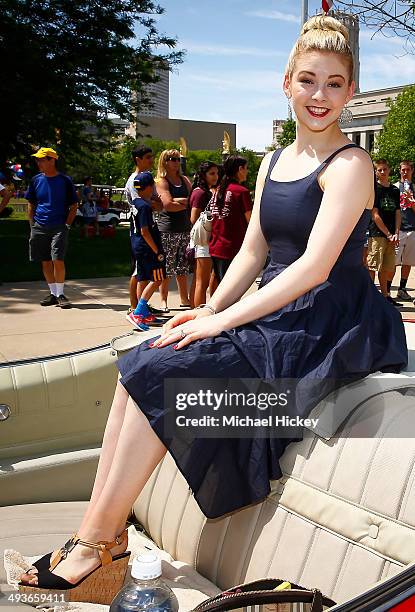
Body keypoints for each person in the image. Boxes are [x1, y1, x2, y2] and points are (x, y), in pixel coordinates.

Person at [19, 16, 407, 601]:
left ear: (350, 92)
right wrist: (204, 310)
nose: (320, 95)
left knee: (169, 372)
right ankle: (100, 537)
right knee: (142, 360)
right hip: (278, 305)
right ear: (286, 84)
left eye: (333, 83)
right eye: (308, 80)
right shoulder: (274, 160)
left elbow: (314, 269)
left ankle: (95, 545)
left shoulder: (350, 166)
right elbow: (253, 251)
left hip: (331, 317)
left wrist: (224, 320)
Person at [26, 147, 78, 308]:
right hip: (40, 225)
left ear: (52, 160)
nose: (38, 162)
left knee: (58, 259)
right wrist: (32, 224)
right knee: (45, 261)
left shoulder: (64, 181)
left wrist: (67, 225)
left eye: (41, 159)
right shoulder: (36, 180)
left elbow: (74, 205)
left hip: (59, 226)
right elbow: (31, 203)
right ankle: (53, 293)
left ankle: (61, 293)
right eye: (37, 160)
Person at [125, 146, 163, 315]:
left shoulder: (146, 179)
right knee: (139, 273)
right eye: (148, 157)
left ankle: (142, 306)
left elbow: (158, 204)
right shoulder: (135, 181)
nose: (151, 160)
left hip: (145, 234)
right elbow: (150, 205)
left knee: (144, 274)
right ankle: (137, 308)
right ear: (137, 159)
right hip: (141, 236)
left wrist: (156, 203)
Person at [156, 149, 193, 311]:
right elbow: (168, 206)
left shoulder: (184, 180)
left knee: (182, 266)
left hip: (184, 228)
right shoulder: (162, 181)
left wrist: (178, 200)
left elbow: (193, 201)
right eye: (172, 159)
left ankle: (184, 299)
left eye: (178, 159)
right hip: (167, 230)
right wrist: (181, 203)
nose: (176, 162)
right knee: (166, 267)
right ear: (164, 161)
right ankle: (163, 300)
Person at [209, 155, 253, 284]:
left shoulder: (218, 190)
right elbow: (250, 221)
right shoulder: (241, 191)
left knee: (221, 285)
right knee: (232, 289)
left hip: (216, 246)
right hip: (233, 247)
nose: (247, 172)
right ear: (240, 169)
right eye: (246, 168)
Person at [367, 159, 401, 306]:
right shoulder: (374, 189)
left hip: (392, 235)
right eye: (379, 170)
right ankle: (369, 296)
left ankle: (385, 296)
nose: (382, 172)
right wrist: (388, 233)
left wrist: (396, 233)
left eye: (385, 169)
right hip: (378, 234)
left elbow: (398, 212)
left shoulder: (394, 190)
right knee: (373, 266)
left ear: (389, 170)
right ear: (376, 172)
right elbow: (375, 214)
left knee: (387, 268)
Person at [189, 161, 219, 307]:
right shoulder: (200, 192)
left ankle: (194, 308)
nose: (215, 176)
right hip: (203, 240)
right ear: (203, 175)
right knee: (202, 281)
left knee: (199, 279)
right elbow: (194, 218)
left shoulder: (206, 191)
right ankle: (197, 311)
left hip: (207, 240)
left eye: (217, 173)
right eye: (211, 173)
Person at [394, 161, 415, 302]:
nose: (405, 172)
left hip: (412, 229)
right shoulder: (394, 187)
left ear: (412, 171)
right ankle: (386, 292)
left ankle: (402, 289)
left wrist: (412, 203)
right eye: (403, 170)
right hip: (397, 230)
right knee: (392, 263)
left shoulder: (414, 188)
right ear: (399, 171)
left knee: (408, 262)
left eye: (407, 170)